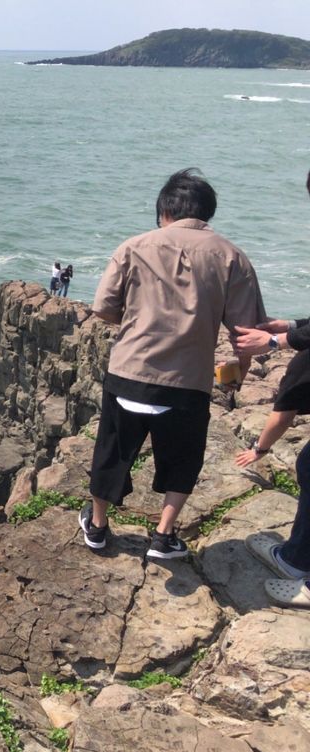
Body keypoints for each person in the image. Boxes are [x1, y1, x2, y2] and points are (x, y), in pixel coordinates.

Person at [77, 168, 266, 559]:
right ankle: (163, 535)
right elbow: (246, 333)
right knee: (183, 458)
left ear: (164, 210)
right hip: (188, 381)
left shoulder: (133, 247)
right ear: (207, 212)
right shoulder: (233, 257)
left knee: (112, 452)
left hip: (130, 372)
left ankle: (97, 527)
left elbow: (103, 309)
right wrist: (239, 374)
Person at [231, 167, 310, 608]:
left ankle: (298, 568)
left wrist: (277, 340)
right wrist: (297, 325)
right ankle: (296, 556)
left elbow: (284, 411)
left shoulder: (300, 374)